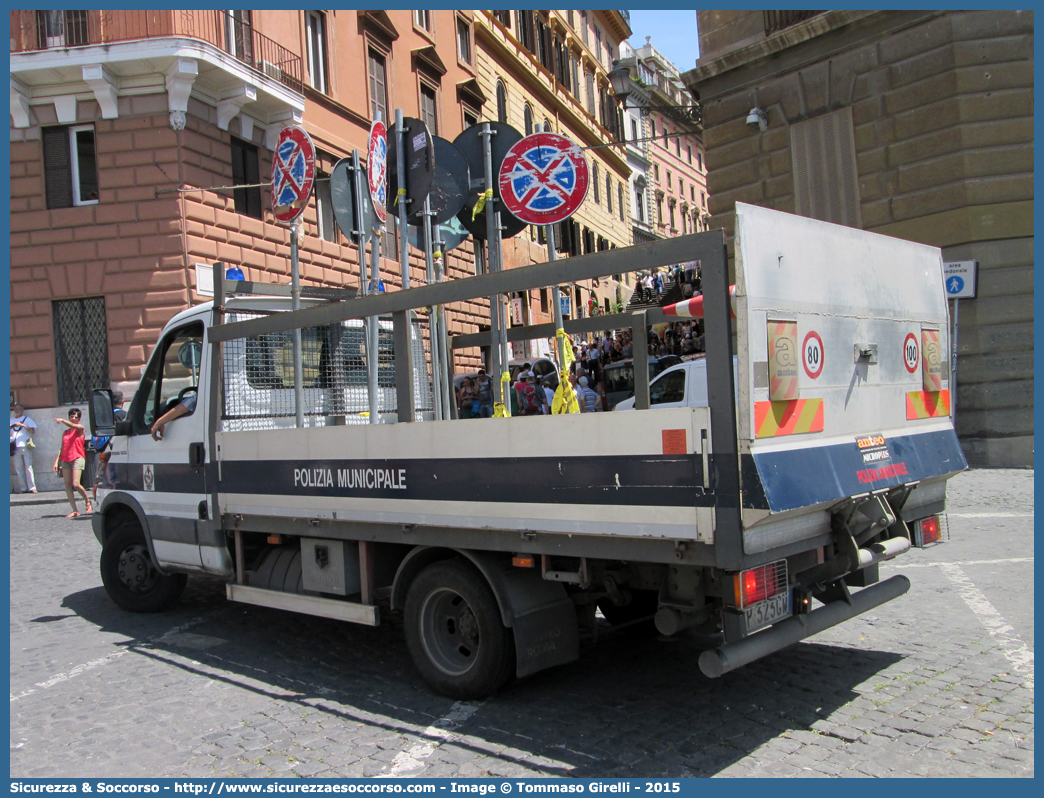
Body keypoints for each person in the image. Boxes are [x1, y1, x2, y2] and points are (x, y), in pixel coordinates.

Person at [53, 407, 90, 517]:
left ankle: (88, 501)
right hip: (66, 458)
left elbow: (73, 426)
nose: (73, 418)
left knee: (76, 484)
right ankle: (75, 510)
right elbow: (62, 447)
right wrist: (56, 462)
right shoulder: (65, 432)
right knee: (68, 485)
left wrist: (63, 421)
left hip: (77, 457)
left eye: (75, 416)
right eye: (71, 416)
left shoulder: (80, 428)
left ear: (79, 418)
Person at [10, 403, 37, 494]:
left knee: (28, 467)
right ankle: (23, 488)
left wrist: (22, 425)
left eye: (19, 409)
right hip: (14, 447)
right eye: (15, 409)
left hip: (25, 446)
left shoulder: (27, 419)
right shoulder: (11, 420)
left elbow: (32, 431)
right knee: (18, 468)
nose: (17, 411)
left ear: (23, 410)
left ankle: (32, 487)